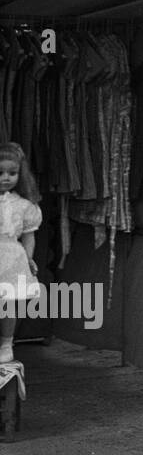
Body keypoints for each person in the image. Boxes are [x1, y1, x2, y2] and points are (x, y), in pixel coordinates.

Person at [0, 142, 42, 366]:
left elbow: (28, 235)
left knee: (7, 304)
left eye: (12, 173)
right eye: (0, 172)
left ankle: (7, 344)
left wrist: (29, 258)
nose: (6, 178)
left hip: (11, 259)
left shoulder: (25, 206)